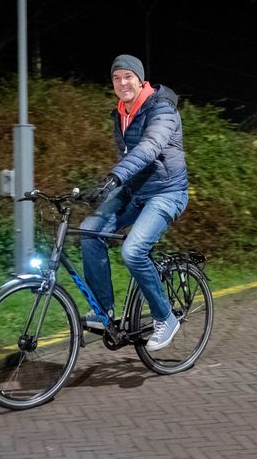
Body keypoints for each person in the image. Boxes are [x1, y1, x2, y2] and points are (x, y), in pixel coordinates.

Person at [79, 54, 189, 351]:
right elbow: (128, 157)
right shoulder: (121, 113)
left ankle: (165, 317)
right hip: (135, 191)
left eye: (128, 76)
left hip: (167, 192)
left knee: (133, 250)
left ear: (141, 80)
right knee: (89, 232)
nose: (122, 82)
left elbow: (149, 147)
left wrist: (115, 177)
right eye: (116, 78)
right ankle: (104, 312)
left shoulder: (162, 110)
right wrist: (101, 189)